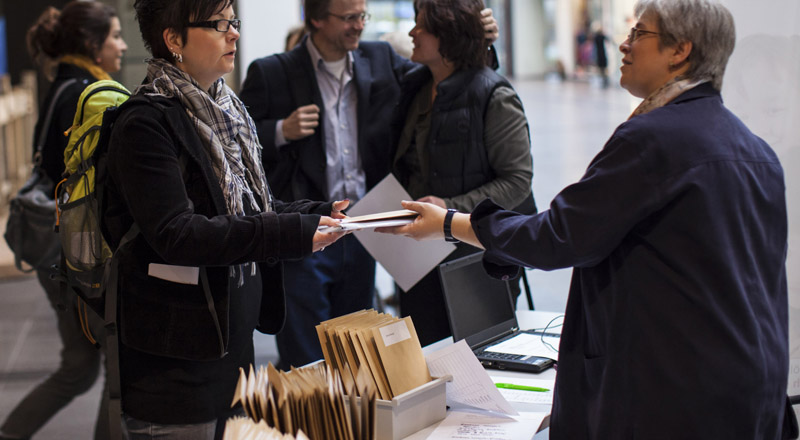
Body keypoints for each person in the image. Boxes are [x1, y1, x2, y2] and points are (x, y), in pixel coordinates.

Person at [379, 0, 796, 437]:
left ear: (680, 50)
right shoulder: (755, 151)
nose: (623, 43)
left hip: (675, 393)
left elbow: (559, 236)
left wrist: (450, 223)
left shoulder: (655, 138)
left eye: (640, 34)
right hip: (747, 384)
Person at [103, 0, 347, 438]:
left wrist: (315, 214)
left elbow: (254, 208)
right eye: (218, 24)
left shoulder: (226, 110)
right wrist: (286, 233)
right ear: (173, 40)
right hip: (176, 364)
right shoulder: (145, 122)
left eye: (233, 22)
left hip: (229, 350)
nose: (234, 33)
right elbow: (178, 235)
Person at [238, 0, 499, 369]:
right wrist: (281, 130)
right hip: (305, 231)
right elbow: (237, 142)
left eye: (362, 15)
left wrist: (476, 41)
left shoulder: (379, 59)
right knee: (306, 358)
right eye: (348, 18)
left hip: (363, 227)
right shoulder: (272, 72)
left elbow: (441, 74)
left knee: (358, 352)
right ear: (315, 18)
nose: (359, 25)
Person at [0, 2, 127, 439]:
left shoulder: (63, 85)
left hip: (61, 255)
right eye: (114, 36)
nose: (122, 44)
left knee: (79, 369)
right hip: (76, 257)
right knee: (112, 371)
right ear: (92, 44)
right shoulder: (83, 94)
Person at [390, 0, 535, 346]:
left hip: (474, 260)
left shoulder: (494, 94)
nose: (412, 32)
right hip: (419, 260)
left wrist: (448, 208)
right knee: (426, 361)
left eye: (421, 25)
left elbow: (517, 180)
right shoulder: (414, 87)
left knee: (477, 365)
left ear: (448, 36)